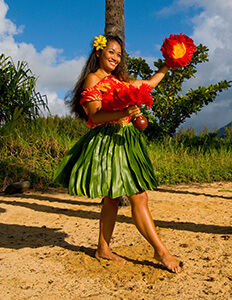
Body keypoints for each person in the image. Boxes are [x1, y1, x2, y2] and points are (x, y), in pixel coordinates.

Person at [54, 35, 181, 273]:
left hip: (126, 140)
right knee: (139, 196)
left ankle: (103, 248)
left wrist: (167, 65)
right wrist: (124, 110)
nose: (115, 57)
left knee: (112, 197)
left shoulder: (119, 81)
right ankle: (161, 250)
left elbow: (149, 84)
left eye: (119, 54)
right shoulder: (93, 79)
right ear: (99, 53)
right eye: (111, 51)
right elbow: (96, 116)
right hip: (109, 141)